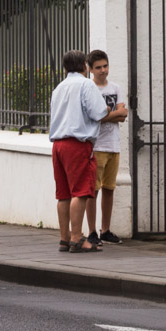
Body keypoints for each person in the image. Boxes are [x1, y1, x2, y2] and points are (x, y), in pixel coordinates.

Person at [47, 49, 108, 253]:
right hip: (77, 144)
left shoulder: (59, 88)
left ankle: (64, 238)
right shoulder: (86, 84)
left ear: (65, 67)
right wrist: (112, 111)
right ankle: (77, 237)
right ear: (84, 66)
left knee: (63, 194)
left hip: (58, 144)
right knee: (80, 192)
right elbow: (99, 112)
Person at [84, 49, 130, 246]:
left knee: (109, 188)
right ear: (90, 69)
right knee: (93, 190)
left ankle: (105, 229)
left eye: (105, 66)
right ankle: (92, 231)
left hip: (113, 145)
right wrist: (112, 115)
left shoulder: (115, 87)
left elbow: (124, 114)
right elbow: (95, 117)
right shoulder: (89, 89)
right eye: (98, 68)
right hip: (97, 146)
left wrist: (106, 115)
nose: (103, 70)